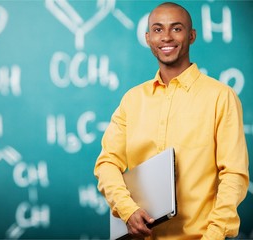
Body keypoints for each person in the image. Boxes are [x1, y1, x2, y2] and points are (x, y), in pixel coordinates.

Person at [93, 2, 249, 239]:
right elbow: (107, 163)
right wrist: (127, 210)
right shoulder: (132, 100)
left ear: (192, 35)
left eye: (176, 29)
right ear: (147, 38)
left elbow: (234, 174)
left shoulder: (220, 97)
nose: (166, 37)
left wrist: (214, 235)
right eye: (157, 30)